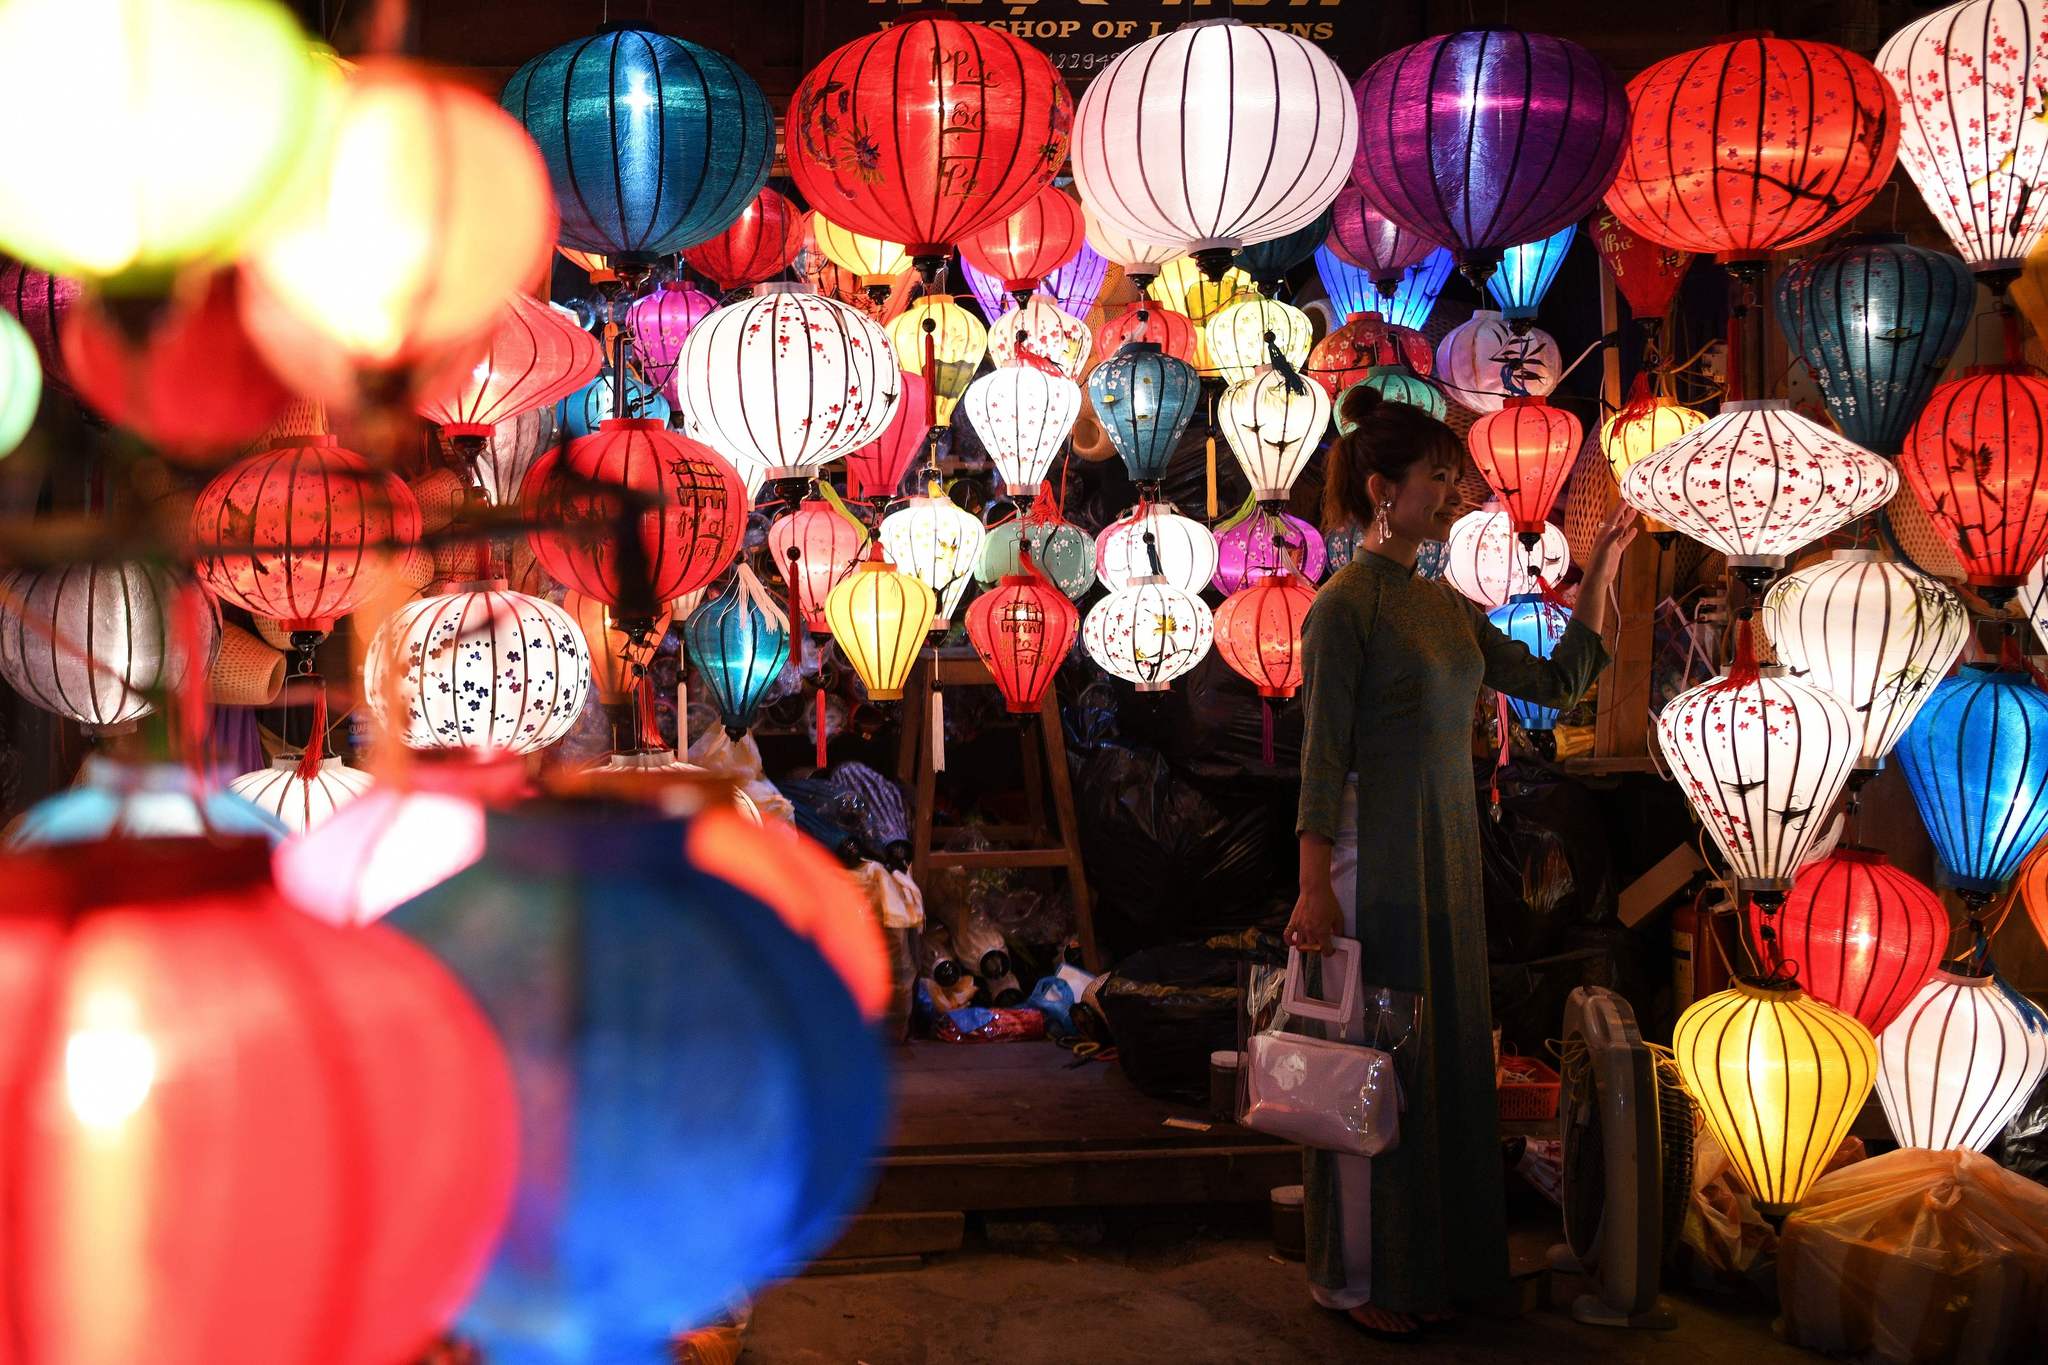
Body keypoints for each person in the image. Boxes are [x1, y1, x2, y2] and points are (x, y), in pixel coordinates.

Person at [1287, 385, 1637, 1339]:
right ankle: (1362, 1280)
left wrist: (1602, 566)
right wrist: (1314, 885)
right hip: (1371, 860)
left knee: (1440, 1060)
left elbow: (1556, 681)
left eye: (1453, 478)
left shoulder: (1443, 605)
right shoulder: (1341, 608)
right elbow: (1321, 759)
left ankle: (1442, 1262)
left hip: (1443, 853)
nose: (1452, 495)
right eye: (1437, 480)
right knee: (1376, 1071)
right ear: (1380, 488)